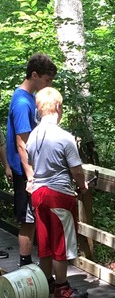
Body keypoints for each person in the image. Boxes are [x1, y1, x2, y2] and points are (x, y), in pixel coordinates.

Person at [26, 87, 89, 298]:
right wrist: (82, 185)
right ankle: (63, 288)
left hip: (38, 195)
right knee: (61, 241)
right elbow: (76, 170)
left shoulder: (32, 136)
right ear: (58, 107)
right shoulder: (64, 137)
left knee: (44, 242)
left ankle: (47, 283)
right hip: (58, 194)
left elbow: (33, 166)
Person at [6, 53, 58, 267]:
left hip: (30, 171)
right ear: (34, 75)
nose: (48, 85)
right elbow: (22, 142)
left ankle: (33, 266)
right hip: (25, 172)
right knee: (28, 220)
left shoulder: (29, 99)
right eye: (47, 80)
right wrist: (30, 176)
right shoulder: (21, 102)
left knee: (34, 219)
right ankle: (25, 266)